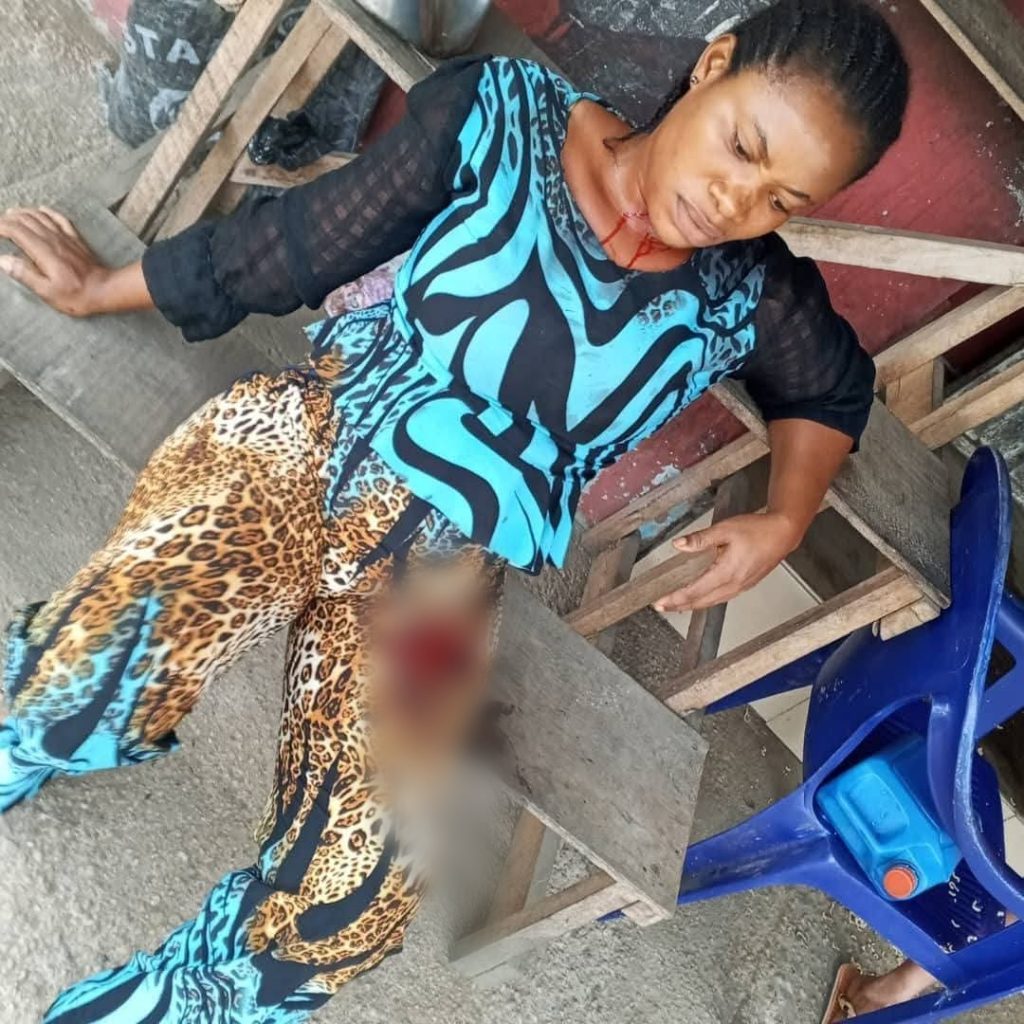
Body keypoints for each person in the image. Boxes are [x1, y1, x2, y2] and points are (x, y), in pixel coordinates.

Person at [0, 1, 910, 1020]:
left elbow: (834, 390)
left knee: (355, 897)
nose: (734, 200)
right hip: (308, 444)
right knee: (101, 659)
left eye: (781, 198)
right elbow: (295, 246)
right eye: (743, 147)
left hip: (439, 573)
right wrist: (104, 287)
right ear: (714, 66)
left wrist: (783, 520)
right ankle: (29, 734)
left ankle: (175, 1005)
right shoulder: (501, 114)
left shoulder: (747, 293)